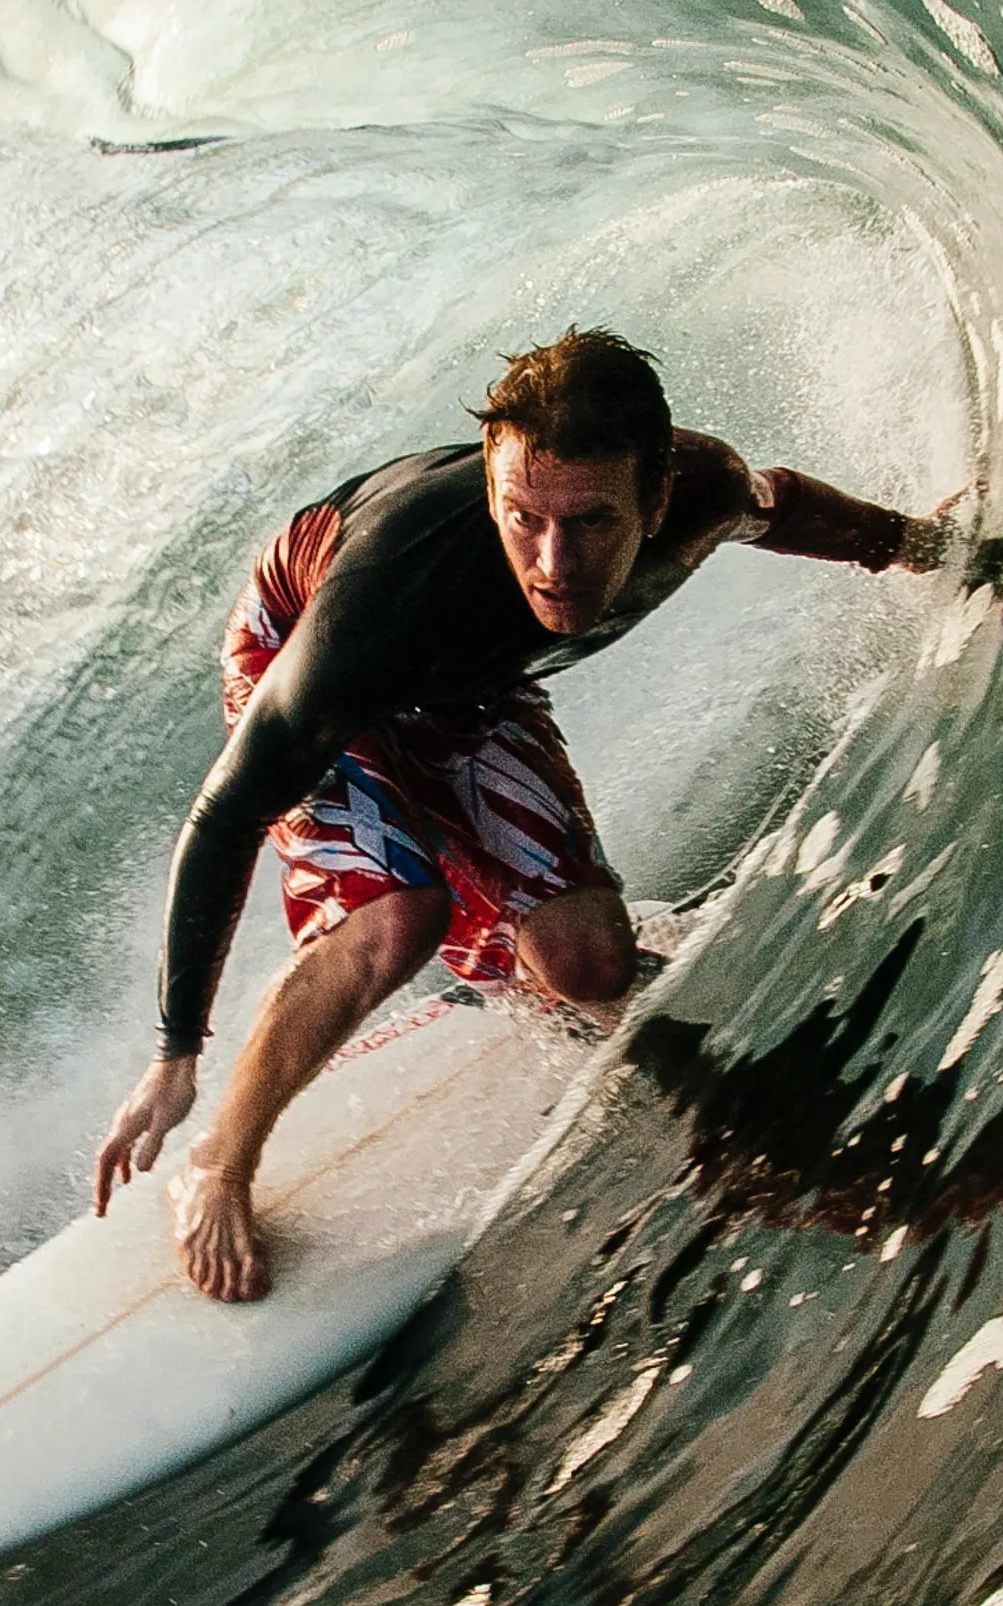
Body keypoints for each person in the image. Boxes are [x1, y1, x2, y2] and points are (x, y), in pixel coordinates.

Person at [93, 329, 956, 1301]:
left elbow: (781, 505)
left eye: (590, 522)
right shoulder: (383, 603)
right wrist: (173, 1049)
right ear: (493, 491)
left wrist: (923, 550)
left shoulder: (705, 491)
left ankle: (511, 955)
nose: (550, 562)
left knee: (591, 965)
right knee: (399, 915)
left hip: (460, 684)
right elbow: (223, 813)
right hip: (303, 633)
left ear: (657, 497)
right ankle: (221, 1159)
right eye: (520, 518)